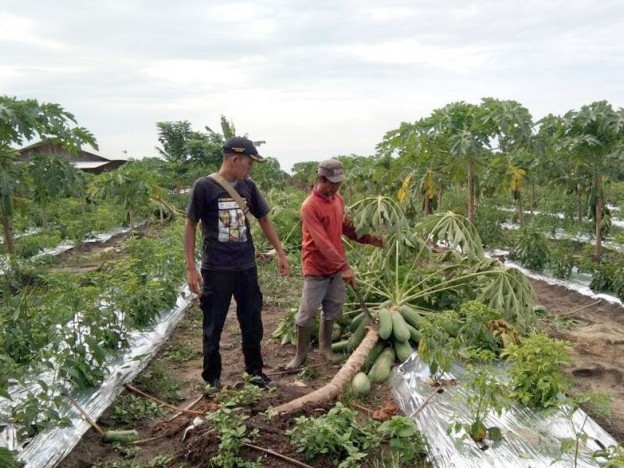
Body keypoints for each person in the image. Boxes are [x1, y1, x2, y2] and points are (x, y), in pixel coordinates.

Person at [185, 136, 290, 391]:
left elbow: (264, 220)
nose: (250, 168)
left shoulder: (249, 187)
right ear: (235, 159)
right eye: (249, 163)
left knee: (252, 320)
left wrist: (280, 252)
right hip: (216, 268)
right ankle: (212, 378)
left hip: (245, 267)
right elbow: (190, 225)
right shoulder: (204, 187)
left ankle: (254, 372)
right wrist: (191, 268)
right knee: (213, 324)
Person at [286, 159, 382, 370]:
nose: (337, 187)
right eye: (333, 182)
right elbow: (322, 242)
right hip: (316, 267)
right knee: (307, 312)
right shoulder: (309, 206)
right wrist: (344, 267)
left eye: (339, 182)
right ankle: (300, 355)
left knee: (332, 309)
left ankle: (325, 349)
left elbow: (346, 228)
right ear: (321, 179)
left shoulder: (338, 199)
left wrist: (370, 239)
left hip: (336, 266)